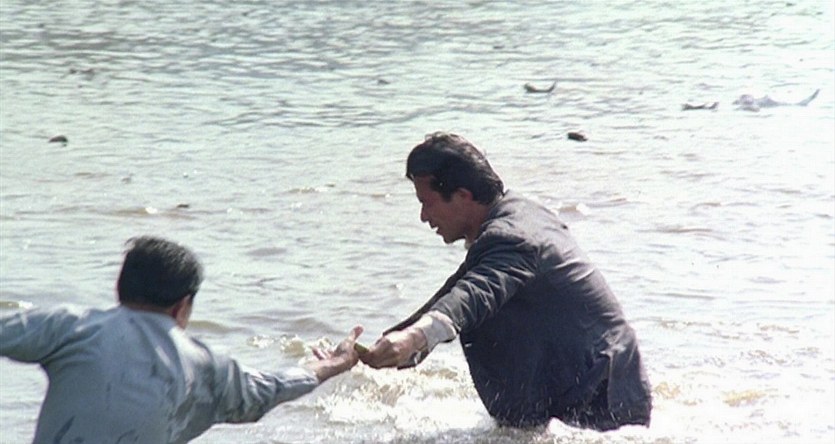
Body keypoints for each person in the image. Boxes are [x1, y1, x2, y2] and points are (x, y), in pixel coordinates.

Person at [359, 132, 652, 430]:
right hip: (601, 391)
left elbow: (474, 295)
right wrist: (369, 352)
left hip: (602, 404)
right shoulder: (516, 216)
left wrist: (415, 338)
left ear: (463, 196)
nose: (423, 216)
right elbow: (454, 295)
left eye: (427, 203)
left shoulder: (512, 237)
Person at [0, 236, 363, 444]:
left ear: (120, 288)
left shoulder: (71, 327)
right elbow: (268, 390)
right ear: (182, 306)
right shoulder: (207, 364)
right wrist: (335, 363)